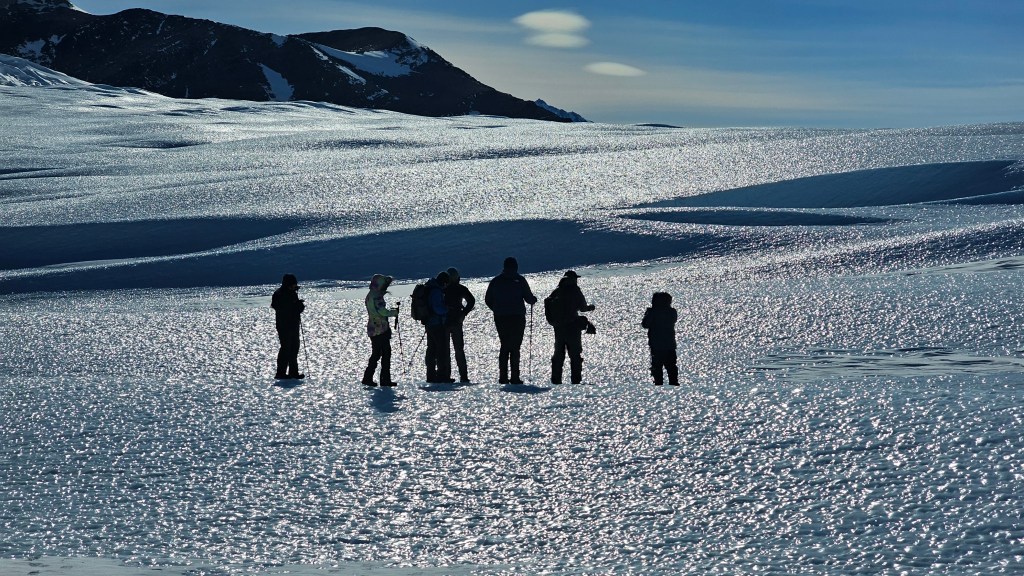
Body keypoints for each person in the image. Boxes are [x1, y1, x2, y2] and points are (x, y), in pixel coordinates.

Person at [484, 257, 538, 384]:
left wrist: (496, 309)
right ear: (515, 267)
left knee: (504, 345)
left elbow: (488, 299)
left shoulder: (496, 281)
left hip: (501, 317)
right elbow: (529, 298)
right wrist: (533, 299)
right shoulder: (520, 280)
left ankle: (503, 377)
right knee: (515, 346)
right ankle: (515, 377)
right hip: (517, 317)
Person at [548, 270, 596, 384]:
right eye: (575, 278)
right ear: (573, 279)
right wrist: (590, 307)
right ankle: (576, 380)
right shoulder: (575, 291)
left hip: (558, 328)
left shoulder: (556, 291)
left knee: (559, 354)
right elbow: (583, 308)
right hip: (572, 327)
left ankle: (556, 380)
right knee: (575, 355)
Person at [363, 274, 400, 387]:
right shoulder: (377, 296)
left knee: (376, 354)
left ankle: (368, 377)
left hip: (372, 329)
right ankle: (384, 380)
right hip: (380, 329)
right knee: (385, 354)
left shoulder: (369, 295)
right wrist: (393, 312)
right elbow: (382, 311)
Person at [444, 267, 476, 383]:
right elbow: (471, 301)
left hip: (445, 323)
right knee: (459, 350)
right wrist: (464, 313)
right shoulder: (461, 288)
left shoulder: (443, 289)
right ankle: (463, 376)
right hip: (457, 321)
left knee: (446, 350)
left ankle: (446, 375)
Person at [271, 273, 305, 379]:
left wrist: (299, 306)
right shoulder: (279, 294)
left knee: (294, 348)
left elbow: (296, 309)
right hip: (284, 325)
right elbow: (278, 307)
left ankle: (293, 372)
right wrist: (293, 305)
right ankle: (280, 373)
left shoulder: (292, 293)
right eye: (293, 284)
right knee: (286, 348)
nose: (294, 287)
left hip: (294, 325)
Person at [642, 292, 679, 386]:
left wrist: (649, 313)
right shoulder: (671, 312)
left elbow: (645, 324)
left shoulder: (654, 312)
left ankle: (659, 385)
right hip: (669, 344)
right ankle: (673, 384)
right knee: (671, 367)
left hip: (657, 345)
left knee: (657, 368)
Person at [423, 271, 451, 383]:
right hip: (436, 323)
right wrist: (447, 309)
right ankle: (441, 376)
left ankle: (431, 375)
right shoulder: (436, 291)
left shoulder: (430, 287)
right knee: (441, 350)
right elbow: (437, 308)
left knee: (431, 349)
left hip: (430, 323)